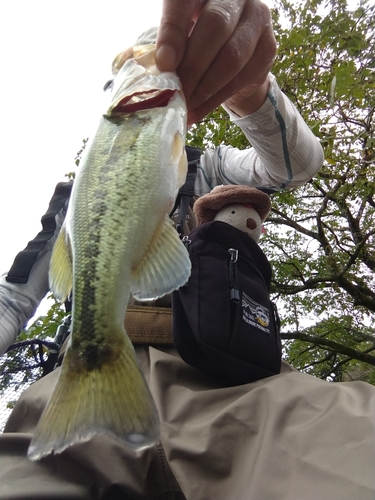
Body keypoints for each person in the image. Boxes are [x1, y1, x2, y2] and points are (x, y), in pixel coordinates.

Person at [0, 1, 374, 499]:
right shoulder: (76, 202)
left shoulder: (208, 166)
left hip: (232, 376)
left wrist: (249, 91)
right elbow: (13, 301)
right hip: (80, 379)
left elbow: (293, 168)